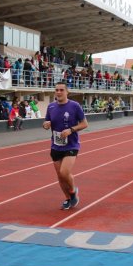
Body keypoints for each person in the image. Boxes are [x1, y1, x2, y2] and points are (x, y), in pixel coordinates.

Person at [43, 81, 89, 210]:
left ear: (67, 92)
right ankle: (68, 199)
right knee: (60, 176)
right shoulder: (51, 107)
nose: (58, 92)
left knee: (64, 172)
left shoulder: (75, 106)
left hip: (71, 145)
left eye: (61, 90)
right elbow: (47, 122)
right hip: (56, 145)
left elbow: (85, 124)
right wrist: (45, 125)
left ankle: (73, 191)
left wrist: (71, 130)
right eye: (56, 90)